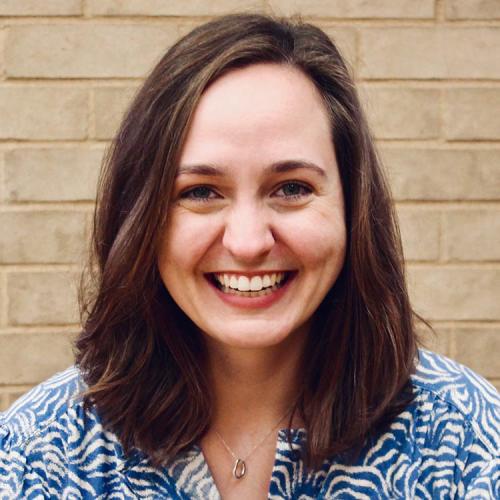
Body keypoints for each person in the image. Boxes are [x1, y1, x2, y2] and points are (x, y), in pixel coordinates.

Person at [0, 13, 499, 499]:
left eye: (292, 188)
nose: (247, 242)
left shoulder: (465, 442)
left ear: (352, 207)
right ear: (142, 216)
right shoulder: (39, 455)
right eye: (200, 192)